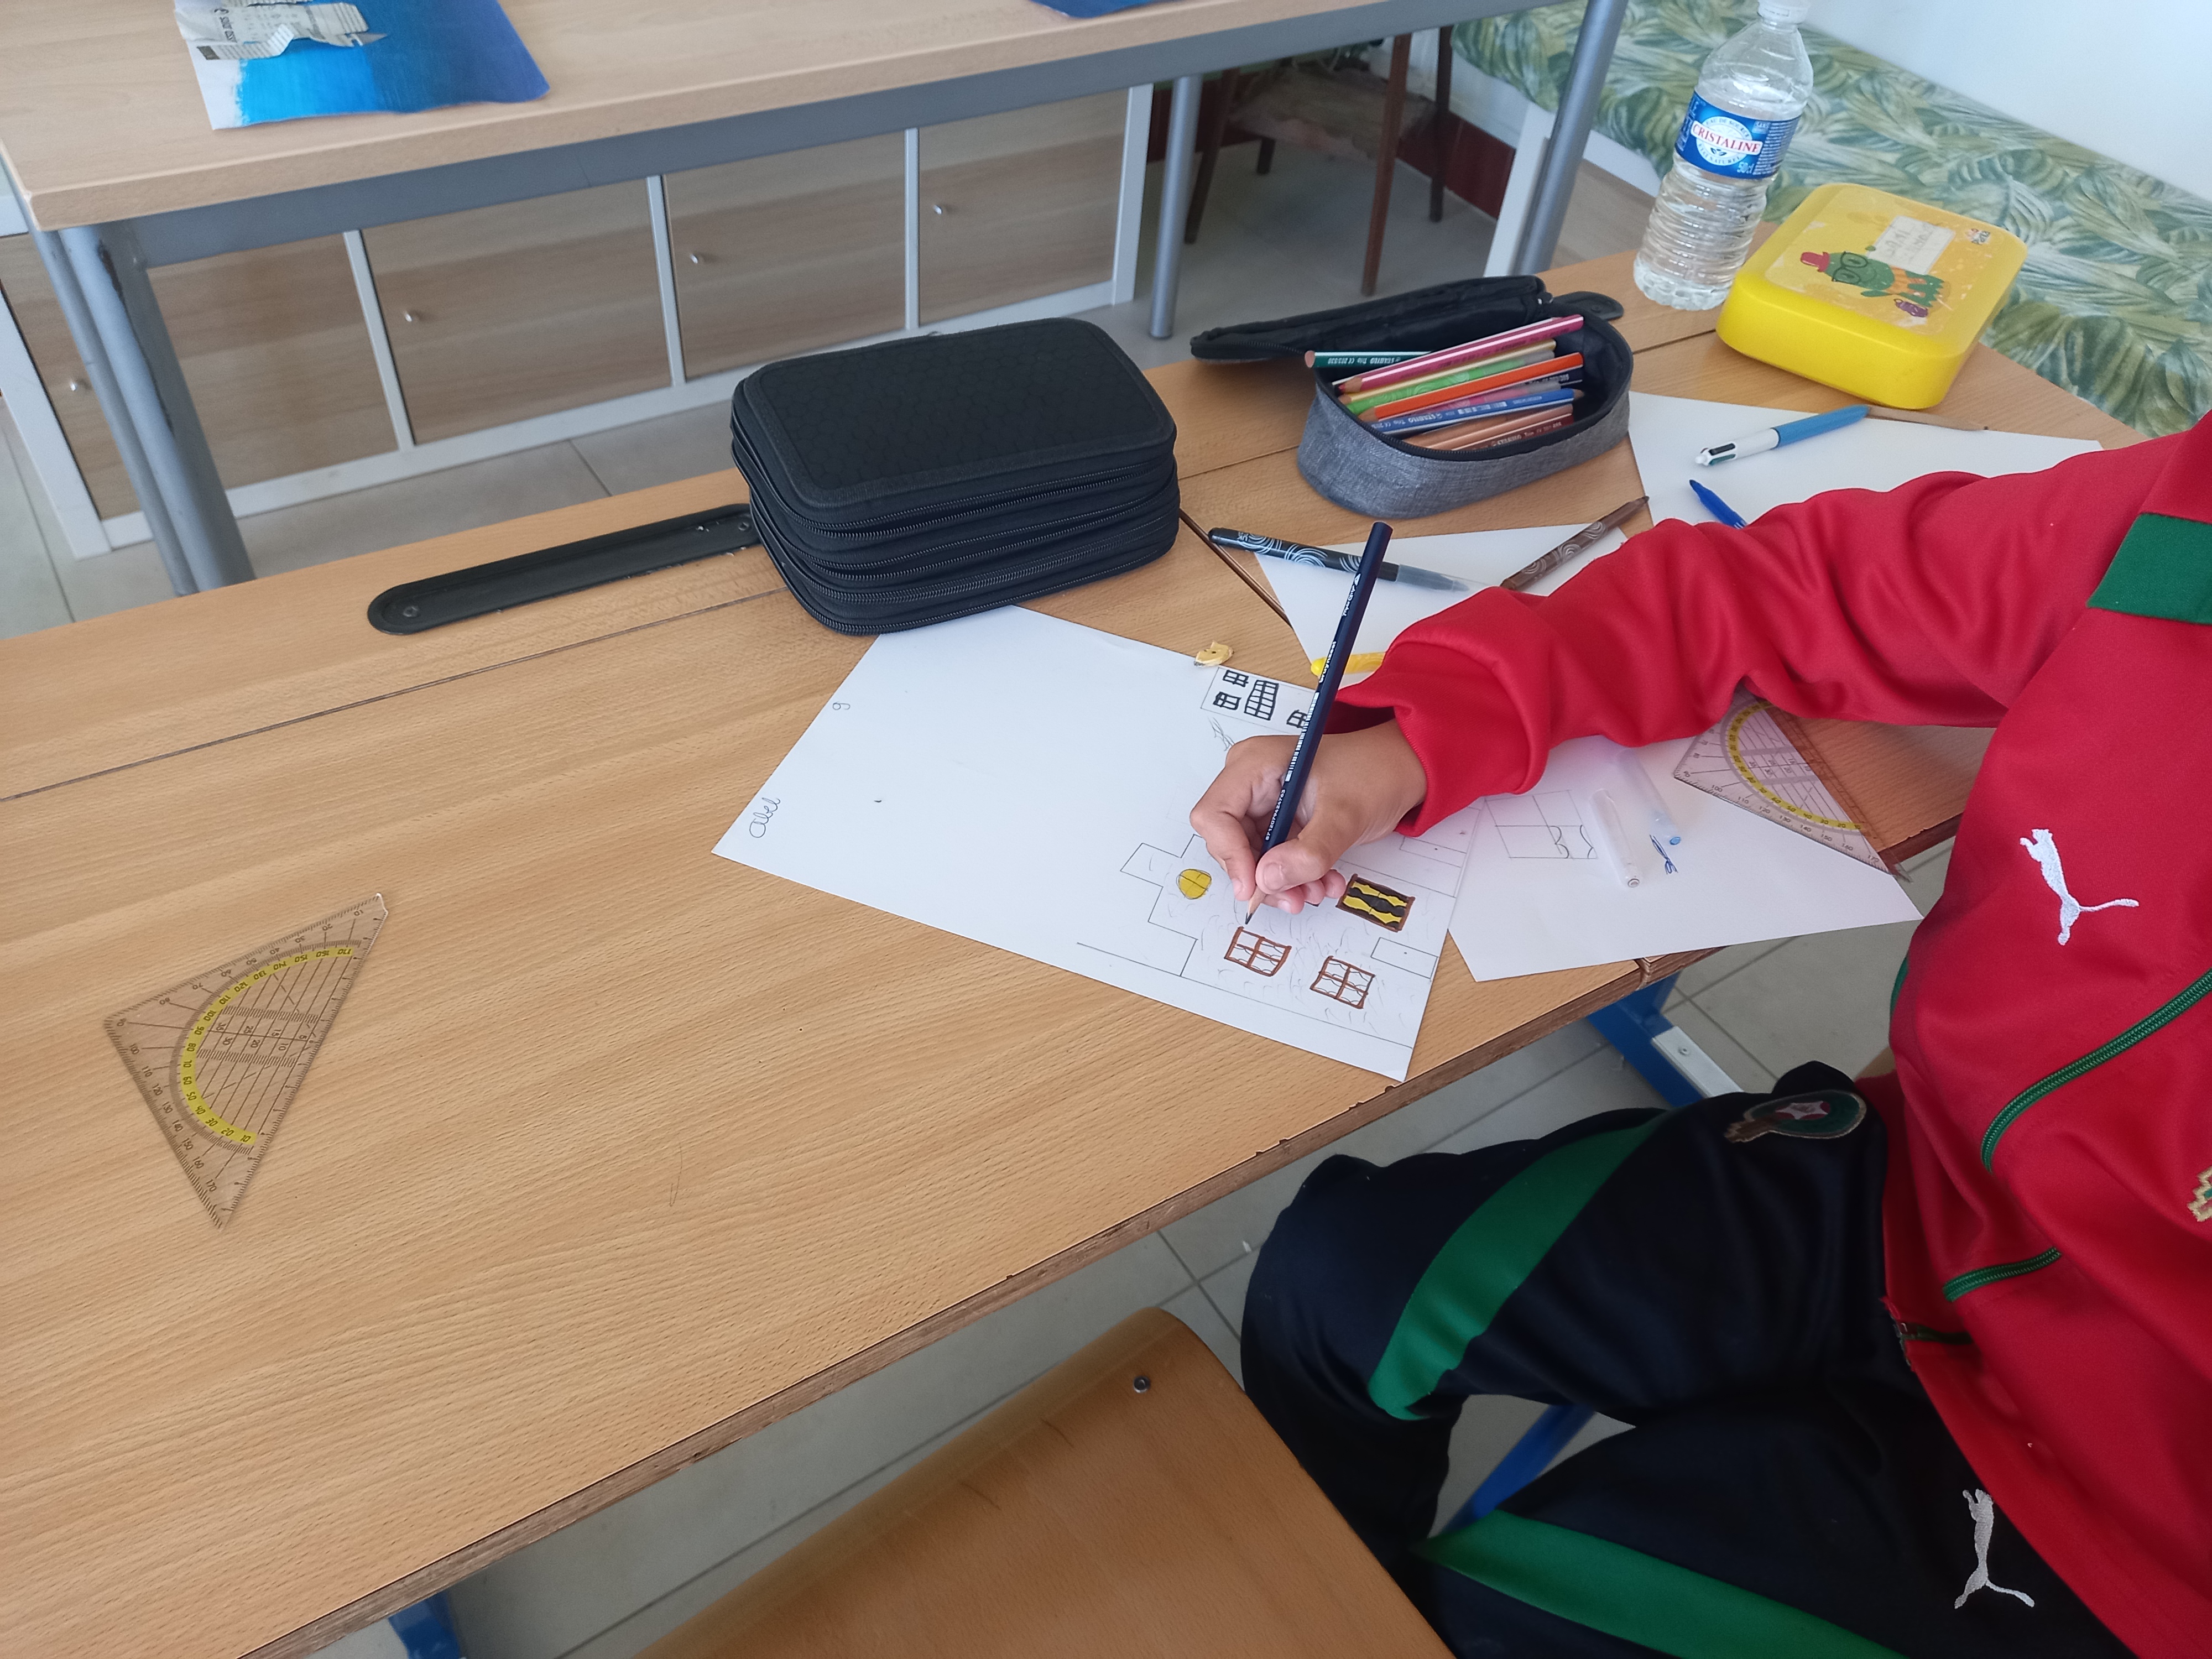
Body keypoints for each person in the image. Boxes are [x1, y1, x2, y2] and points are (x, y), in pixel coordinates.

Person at [1189, 416, 2212, 1659]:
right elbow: (1802, 587)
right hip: (1930, 1197)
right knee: (1337, 1279)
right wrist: (1421, 735)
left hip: (2135, 1515)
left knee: (1478, 1624)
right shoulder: (2184, 521)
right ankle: (1322, 1599)